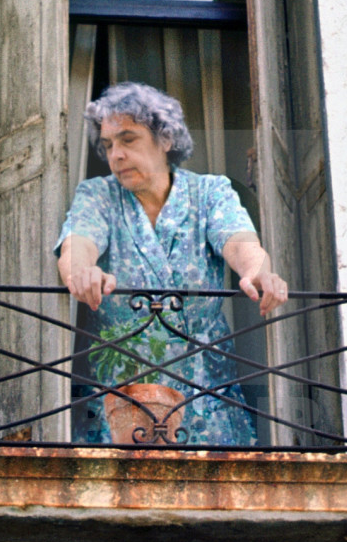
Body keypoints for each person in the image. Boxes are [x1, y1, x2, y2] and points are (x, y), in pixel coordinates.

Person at [56, 82, 288, 445]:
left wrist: (257, 271)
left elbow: (241, 242)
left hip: (207, 399)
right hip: (124, 403)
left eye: (128, 139)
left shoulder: (211, 193)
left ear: (165, 140)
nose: (115, 154)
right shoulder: (98, 195)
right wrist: (82, 271)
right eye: (108, 145)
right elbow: (78, 244)